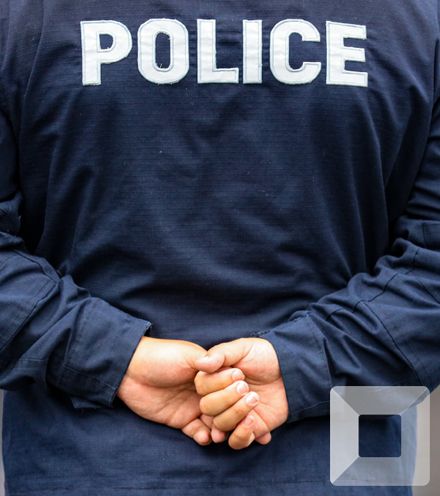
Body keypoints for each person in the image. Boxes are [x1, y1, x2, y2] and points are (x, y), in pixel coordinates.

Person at [0, 0, 439, 495]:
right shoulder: (416, 17)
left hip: (85, 466)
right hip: (343, 465)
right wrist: (305, 365)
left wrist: (112, 357)